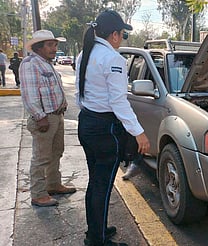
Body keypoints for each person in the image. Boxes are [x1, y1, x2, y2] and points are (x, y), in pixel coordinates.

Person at [75, 10, 150, 246]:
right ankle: (97, 240)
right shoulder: (114, 59)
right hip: (103, 130)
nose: (122, 39)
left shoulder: (84, 54)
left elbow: (81, 94)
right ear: (115, 35)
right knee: (103, 186)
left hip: (87, 122)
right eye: (123, 34)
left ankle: (96, 231)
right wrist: (139, 133)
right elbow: (119, 102)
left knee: (95, 182)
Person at [19, 30, 77, 207]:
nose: (54, 48)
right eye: (50, 45)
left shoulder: (46, 63)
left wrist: (63, 104)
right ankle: (38, 194)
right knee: (41, 157)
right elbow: (29, 95)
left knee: (56, 153)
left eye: (55, 44)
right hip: (44, 119)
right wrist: (40, 117)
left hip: (56, 116)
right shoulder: (30, 64)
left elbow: (54, 88)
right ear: (39, 47)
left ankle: (53, 184)